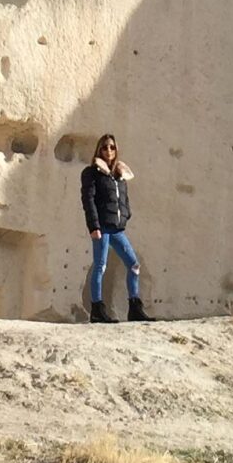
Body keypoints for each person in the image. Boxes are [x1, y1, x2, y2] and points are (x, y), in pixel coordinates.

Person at [80, 132, 150, 324]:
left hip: (117, 229)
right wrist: (93, 226)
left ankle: (135, 307)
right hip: (101, 228)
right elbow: (88, 200)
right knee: (100, 266)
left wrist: (126, 214)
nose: (108, 150)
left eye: (112, 147)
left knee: (133, 265)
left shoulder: (119, 175)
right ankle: (97, 310)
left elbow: (123, 200)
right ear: (98, 150)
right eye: (104, 147)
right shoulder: (92, 173)